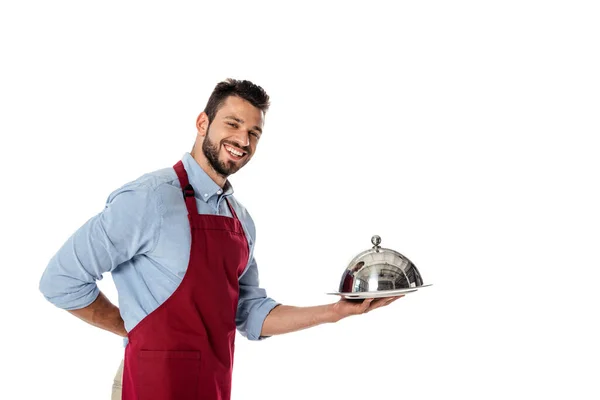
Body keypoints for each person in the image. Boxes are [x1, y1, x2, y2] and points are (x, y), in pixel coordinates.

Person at [39, 78, 402, 400]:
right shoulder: (149, 198)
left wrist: (336, 311)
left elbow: (249, 314)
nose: (243, 140)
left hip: (212, 385)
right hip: (150, 384)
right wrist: (129, 325)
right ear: (202, 123)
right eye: (233, 123)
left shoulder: (240, 220)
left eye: (254, 133)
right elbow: (61, 280)